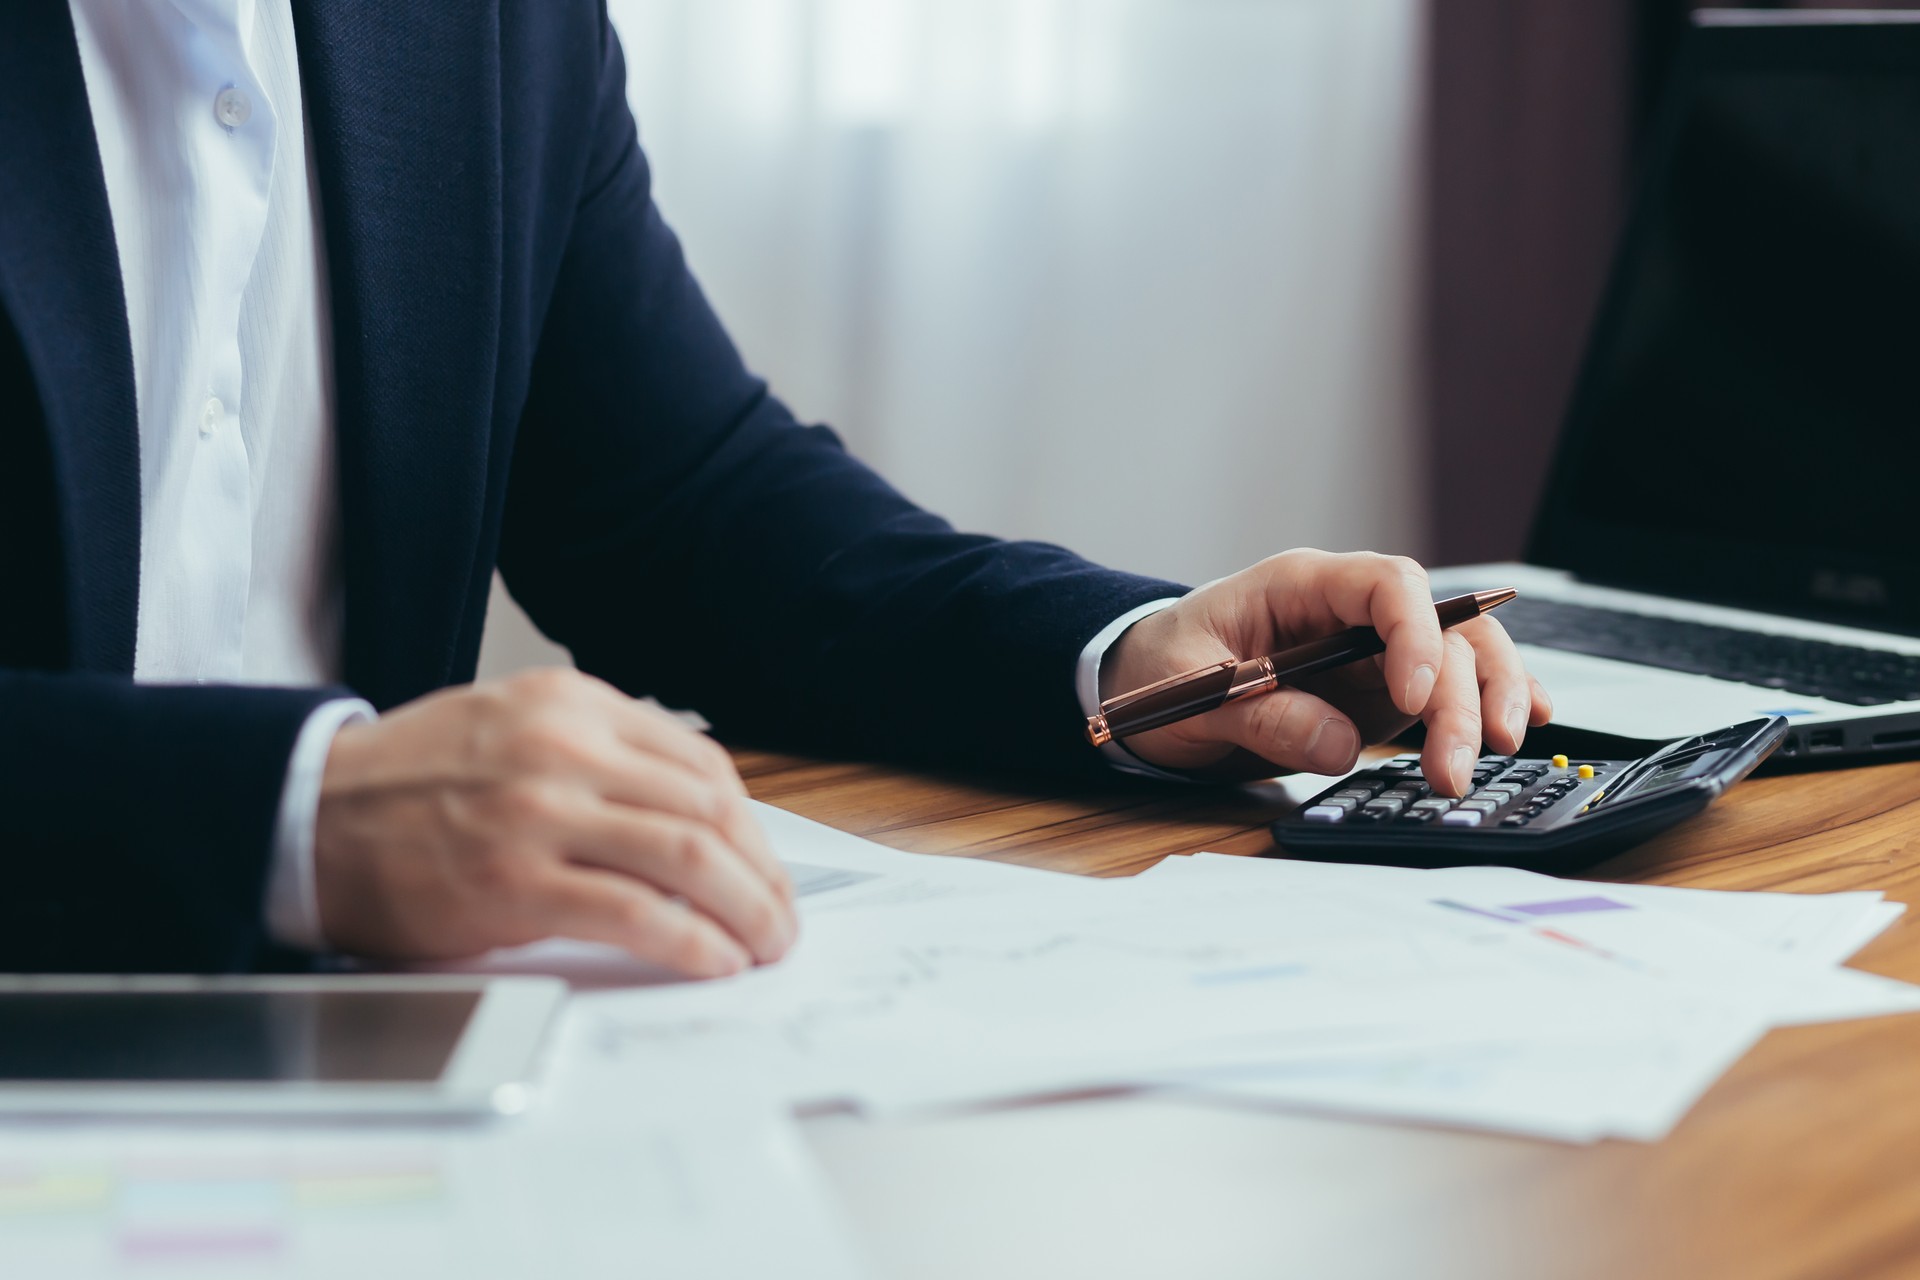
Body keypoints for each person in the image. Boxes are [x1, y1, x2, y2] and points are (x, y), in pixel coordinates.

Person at [0, 2, 1549, 976]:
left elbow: (685, 510)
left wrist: (1127, 660)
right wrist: (289, 816)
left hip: (378, 1101)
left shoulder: (476, 29)